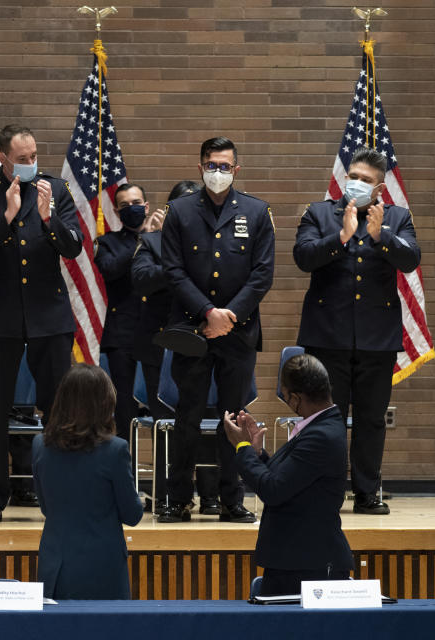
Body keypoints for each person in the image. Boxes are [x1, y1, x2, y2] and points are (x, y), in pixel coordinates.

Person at [0, 124, 84, 523]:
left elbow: (74, 246)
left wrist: (49, 220)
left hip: (48, 314)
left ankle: (61, 493)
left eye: (34, 156)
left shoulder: (56, 190)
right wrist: (7, 217)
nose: (31, 164)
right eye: (23, 159)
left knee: (59, 409)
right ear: (3, 159)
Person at [293, 147, 420, 515]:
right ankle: (325, 492)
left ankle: (366, 492)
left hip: (376, 338)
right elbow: (303, 258)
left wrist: (383, 237)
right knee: (324, 419)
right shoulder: (319, 213)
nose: (356, 183)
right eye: (353, 176)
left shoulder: (397, 217)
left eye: (365, 180)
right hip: (326, 335)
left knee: (371, 419)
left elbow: (411, 260)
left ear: (380, 188)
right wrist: (341, 238)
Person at [159, 136, 275, 524]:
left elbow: (262, 276)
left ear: (236, 170)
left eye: (225, 166)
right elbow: (173, 271)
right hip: (192, 330)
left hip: (238, 334)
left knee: (234, 418)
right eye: (211, 165)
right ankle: (178, 499)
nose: (218, 172)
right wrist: (208, 312)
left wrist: (228, 317)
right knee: (187, 417)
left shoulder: (257, 212)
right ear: (200, 167)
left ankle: (232, 500)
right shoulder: (179, 211)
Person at [223, 354, 354, 596]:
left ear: (296, 398)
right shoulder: (318, 427)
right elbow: (289, 478)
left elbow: (274, 490)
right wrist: (258, 453)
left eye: (284, 395)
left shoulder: (321, 435)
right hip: (293, 561)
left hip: (309, 565)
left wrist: (241, 448)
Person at [131, 180, 220, 515]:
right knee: (165, 424)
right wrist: (176, 263)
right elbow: (140, 280)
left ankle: (211, 496)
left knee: (207, 420)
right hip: (160, 346)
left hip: (202, 344)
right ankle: (168, 496)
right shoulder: (151, 241)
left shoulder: (215, 245)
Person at [32, 364, 143, 599]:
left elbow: (45, 507)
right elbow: (132, 515)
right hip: (103, 570)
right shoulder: (116, 450)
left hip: (56, 567)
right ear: (104, 404)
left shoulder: (39, 445)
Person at [94, 183, 149, 443]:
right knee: (124, 409)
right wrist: (143, 242)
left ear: (147, 207)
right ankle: (125, 474)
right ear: (116, 212)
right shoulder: (107, 243)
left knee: (163, 410)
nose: (132, 209)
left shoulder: (165, 240)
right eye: (125, 205)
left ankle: (164, 479)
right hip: (122, 336)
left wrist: (153, 239)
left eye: (137, 203)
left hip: (157, 333)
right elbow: (110, 269)